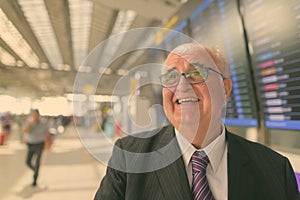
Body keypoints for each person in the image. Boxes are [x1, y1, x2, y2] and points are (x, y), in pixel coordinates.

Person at [94, 43, 299, 200]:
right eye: (171, 77)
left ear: (225, 89)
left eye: (196, 74)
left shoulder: (275, 169)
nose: (182, 86)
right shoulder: (130, 159)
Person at [23, 109, 50, 187]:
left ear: (39, 115)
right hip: (30, 144)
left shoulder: (43, 123)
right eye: (33, 115)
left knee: (37, 162)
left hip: (39, 144)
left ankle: (35, 180)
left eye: (36, 115)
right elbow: (25, 131)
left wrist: (48, 144)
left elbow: (47, 134)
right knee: (28, 162)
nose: (35, 117)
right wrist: (31, 124)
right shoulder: (28, 122)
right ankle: (35, 171)